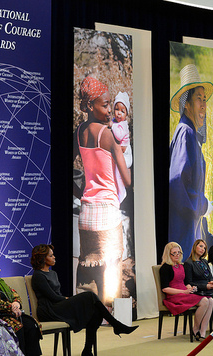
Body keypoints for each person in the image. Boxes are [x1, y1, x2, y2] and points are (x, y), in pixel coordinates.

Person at [73, 76, 131, 305]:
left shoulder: (79, 132)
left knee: (93, 269)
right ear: (90, 106)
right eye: (105, 105)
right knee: (112, 269)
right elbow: (126, 179)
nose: (109, 110)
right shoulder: (106, 135)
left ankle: (93, 315)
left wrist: (80, 194)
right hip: (107, 210)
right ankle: (110, 315)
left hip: (87, 212)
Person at [30, 244, 138, 356]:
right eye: (51, 256)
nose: (54, 257)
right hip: (49, 310)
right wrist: (67, 299)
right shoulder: (38, 276)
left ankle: (87, 350)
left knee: (96, 314)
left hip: (58, 305)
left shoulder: (53, 273)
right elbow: (53, 297)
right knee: (89, 296)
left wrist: (67, 300)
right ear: (43, 258)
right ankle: (116, 325)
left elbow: (58, 295)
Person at [169, 63, 213, 256]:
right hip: (183, 226)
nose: (203, 104)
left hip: (190, 224)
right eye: (198, 99)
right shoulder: (185, 132)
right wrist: (202, 205)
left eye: (205, 99)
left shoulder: (190, 134)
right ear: (186, 104)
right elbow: (176, 181)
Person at [0, 257, 42, 356]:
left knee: (31, 325)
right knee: (18, 327)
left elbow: (15, 294)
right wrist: (11, 307)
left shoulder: (0, 282)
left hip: (11, 313)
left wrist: (16, 303)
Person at [160, 242, 213, 341]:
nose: (177, 255)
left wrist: (189, 288)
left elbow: (185, 282)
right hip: (174, 295)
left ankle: (202, 332)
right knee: (205, 301)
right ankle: (195, 329)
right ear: (168, 254)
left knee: (210, 301)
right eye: (174, 253)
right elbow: (165, 289)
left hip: (184, 292)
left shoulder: (180, 265)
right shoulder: (165, 268)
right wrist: (183, 292)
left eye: (179, 253)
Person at [110, 91, 133, 203]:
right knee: (115, 174)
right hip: (120, 154)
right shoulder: (115, 121)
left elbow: (118, 136)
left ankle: (122, 194)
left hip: (125, 155)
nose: (119, 113)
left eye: (122, 111)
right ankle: (117, 192)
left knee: (119, 175)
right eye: (117, 109)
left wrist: (111, 126)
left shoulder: (122, 125)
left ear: (126, 114)